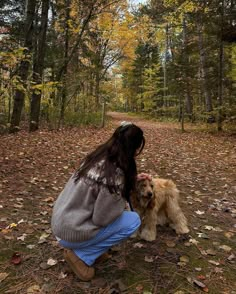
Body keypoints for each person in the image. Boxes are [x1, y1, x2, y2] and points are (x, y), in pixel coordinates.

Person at [51, 121, 145, 281]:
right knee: (133, 221)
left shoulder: (96, 158)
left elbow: (95, 188)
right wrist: (121, 198)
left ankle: (90, 249)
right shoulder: (115, 175)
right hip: (72, 233)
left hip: (60, 225)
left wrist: (133, 180)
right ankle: (82, 255)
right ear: (132, 149)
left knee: (117, 220)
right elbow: (102, 219)